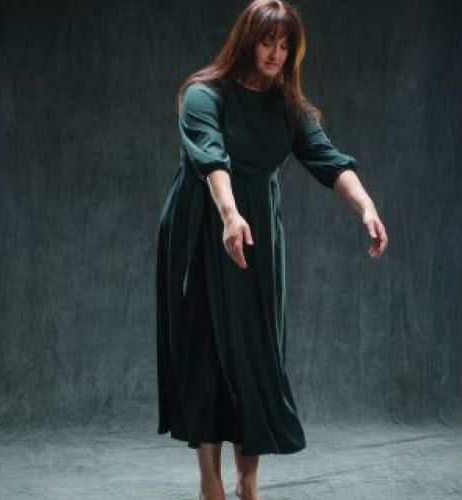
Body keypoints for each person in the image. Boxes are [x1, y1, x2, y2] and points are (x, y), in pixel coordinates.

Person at [155, 1, 388, 499]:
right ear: (247, 40)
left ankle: (249, 484)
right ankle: (211, 483)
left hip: (257, 231)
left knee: (256, 352)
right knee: (204, 350)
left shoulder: (289, 106)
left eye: (285, 45)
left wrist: (366, 206)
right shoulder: (203, 95)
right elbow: (212, 157)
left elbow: (328, 160)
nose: (276, 53)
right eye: (268, 41)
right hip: (203, 225)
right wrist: (229, 213)